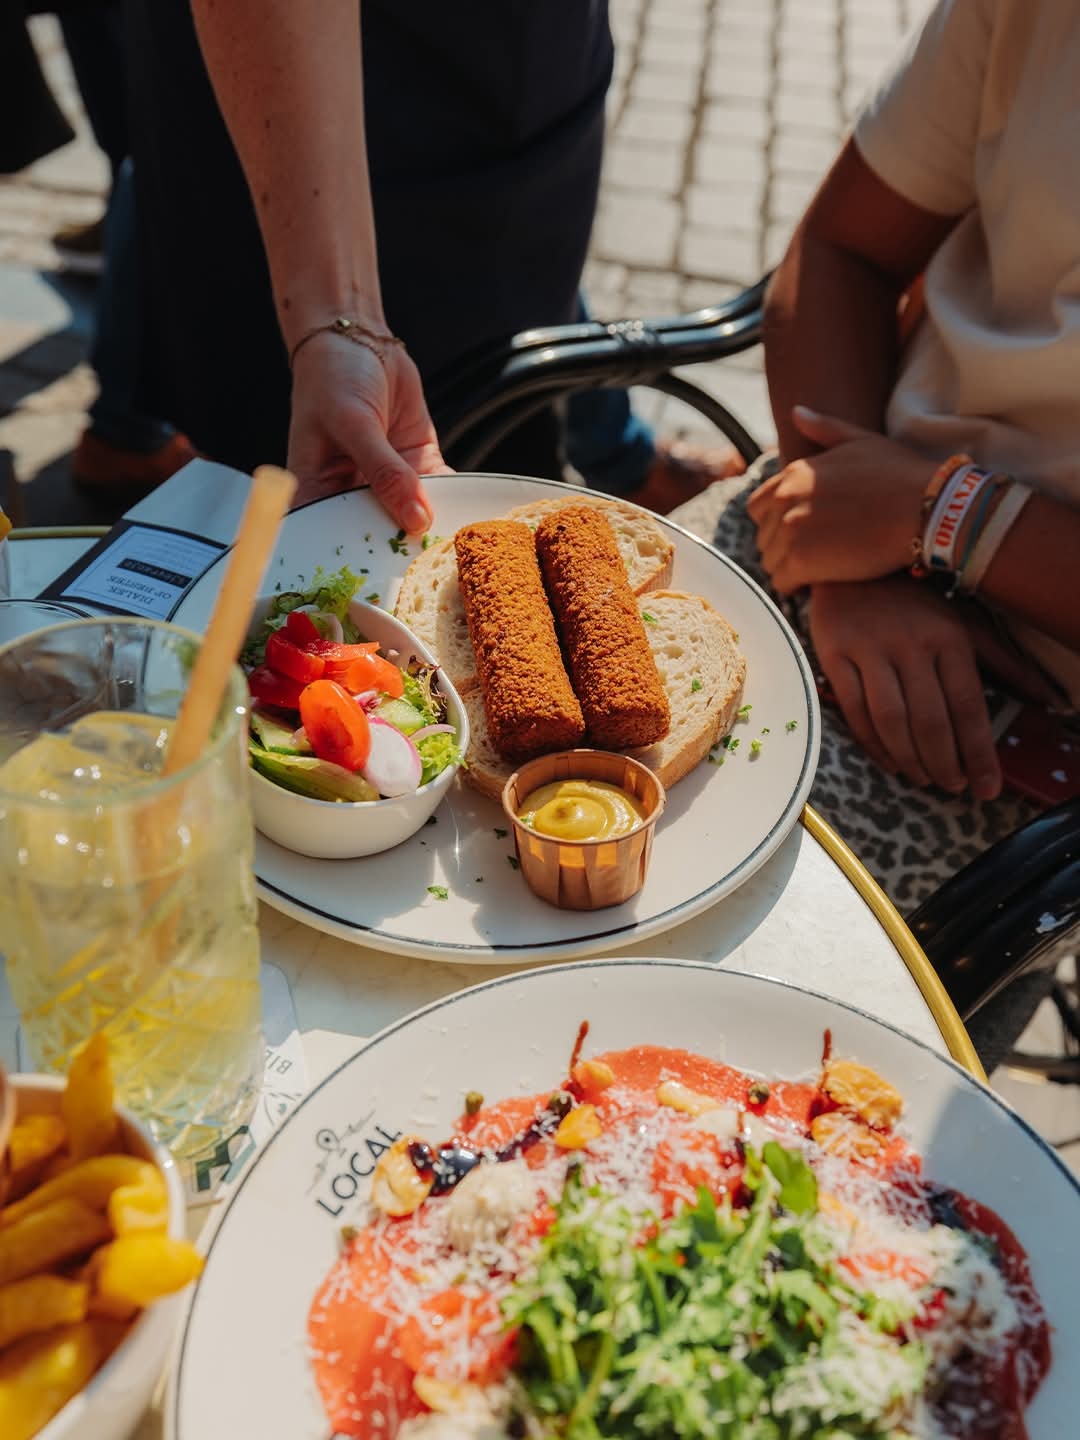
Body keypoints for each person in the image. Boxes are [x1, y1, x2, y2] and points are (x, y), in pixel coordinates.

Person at [678, 0, 1079, 1069]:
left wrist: (947, 522)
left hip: (1021, 718)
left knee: (682, 1026)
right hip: (842, 513)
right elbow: (845, 250)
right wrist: (855, 555)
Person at [124, 0, 739, 529]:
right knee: (319, 476)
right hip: (327, 104)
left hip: (534, 85)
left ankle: (612, 460)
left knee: (518, 405)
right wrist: (345, 320)